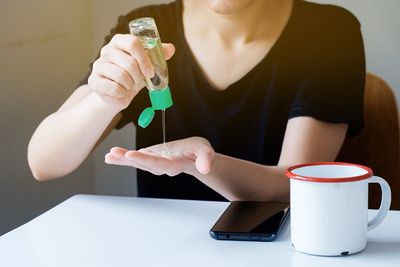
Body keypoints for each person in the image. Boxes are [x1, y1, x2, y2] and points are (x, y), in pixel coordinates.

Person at [27, 0, 365, 202]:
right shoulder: (145, 31)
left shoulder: (329, 32)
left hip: (276, 247)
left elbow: (292, 189)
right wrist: (105, 98)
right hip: (160, 245)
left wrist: (205, 164)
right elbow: (44, 162)